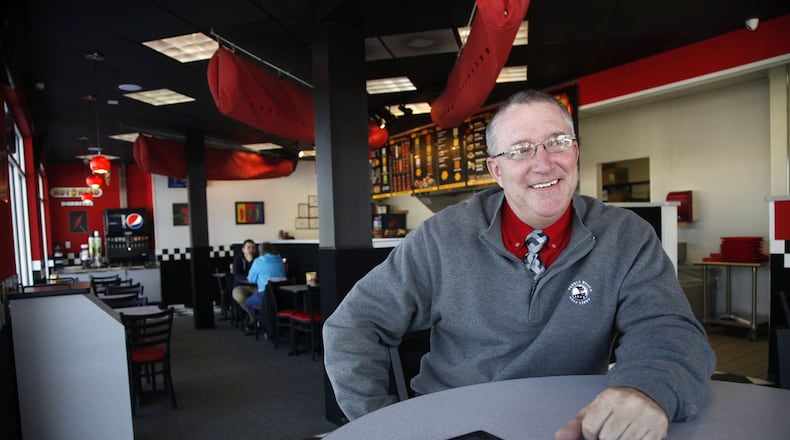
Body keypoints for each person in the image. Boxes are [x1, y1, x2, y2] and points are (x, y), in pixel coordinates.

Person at [323, 89, 716, 439]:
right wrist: (381, 424)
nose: (543, 164)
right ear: (497, 170)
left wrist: (647, 389)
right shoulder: (442, 237)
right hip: (454, 424)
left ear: (575, 152)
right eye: (520, 150)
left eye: (556, 143)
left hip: (574, 425)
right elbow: (352, 326)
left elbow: (668, 327)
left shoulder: (626, 236)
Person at [244, 242, 287, 331]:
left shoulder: (258, 261)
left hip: (265, 295)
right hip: (283, 295)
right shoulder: (280, 259)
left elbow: (251, 279)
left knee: (248, 303)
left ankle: (261, 321)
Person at [231, 239, 258, 329]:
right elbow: (237, 275)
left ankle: (258, 319)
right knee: (240, 296)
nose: (251, 250)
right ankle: (255, 318)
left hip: (255, 286)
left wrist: (251, 262)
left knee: (265, 296)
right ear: (243, 249)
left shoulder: (258, 260)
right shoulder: (238, 260)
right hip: (240, 286)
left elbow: (258, 273)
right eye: (249, 247)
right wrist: (247, 279)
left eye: (253, 248)